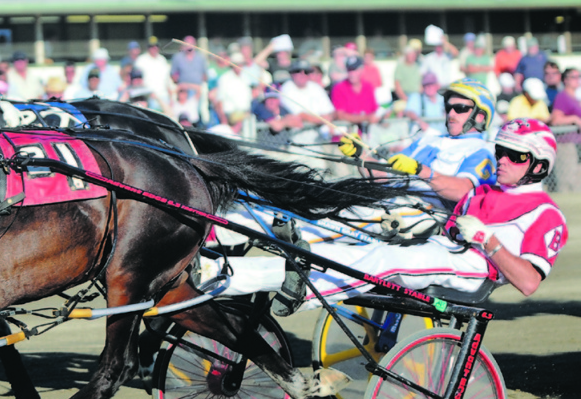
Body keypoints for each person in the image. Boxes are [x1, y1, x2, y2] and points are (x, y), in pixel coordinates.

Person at [221, 118, 566, 315]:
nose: (503, 160)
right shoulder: (483, 191)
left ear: (538, 166)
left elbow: (529, 282)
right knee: (333, 255)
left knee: (387, 259)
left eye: (515, 156)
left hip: (476, 271)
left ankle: (302, 296)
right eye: (501, 151)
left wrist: (487, 241)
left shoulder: (546, 214)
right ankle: (220, 280)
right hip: (439, 249)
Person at [341, 78, 497, 211]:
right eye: (448, 108)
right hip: (392, 206)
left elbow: (464, 191)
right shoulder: (426, 140)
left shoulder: (482, 151)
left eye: (460, 108)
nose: (451, 114)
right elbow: (382, 176)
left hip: (429, 215)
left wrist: (421, 171)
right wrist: (359, 155)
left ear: (481, 116)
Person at [549, 66, 581, 191]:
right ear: (565, 80)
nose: (577, 80)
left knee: (576, 181)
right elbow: (555, 120)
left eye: (579, 76)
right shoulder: (562, 97)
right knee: (566, 183)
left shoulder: (575, 98)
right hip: (565, 144)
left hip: (575, 145)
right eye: (574, 77)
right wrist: (573, 119)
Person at [331, 56, 380, 126]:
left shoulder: (368, 87)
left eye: (354, 70)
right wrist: (366, 118)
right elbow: (340, 115)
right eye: (349, 70)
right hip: (348, 133)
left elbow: (375, 111)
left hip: (368, 132)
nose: (352, 73)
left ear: (362, 69)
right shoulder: (339, 88)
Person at [134, 36, 173, 106]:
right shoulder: (141, 60)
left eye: (156, 46)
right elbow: (137, 81)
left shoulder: (162, 60)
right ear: (147, 47)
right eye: (151, 46)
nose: (154, 48)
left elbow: (167, 81)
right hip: (149, 97)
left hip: (163, 96)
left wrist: (171, 98)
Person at [170, 36, 208, 103]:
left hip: (198, 87)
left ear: (195, 45)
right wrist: (181, 84)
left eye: (191, 44)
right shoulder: (177, 57)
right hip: (183, 87)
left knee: (203, 94)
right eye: (187, 44)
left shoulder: (200, 57)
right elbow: (173, 75)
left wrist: (197, 85)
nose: (189, 46)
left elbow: (205, 75)